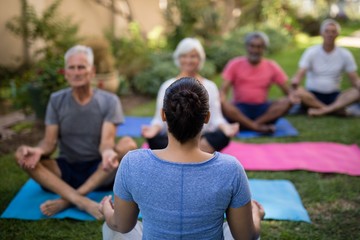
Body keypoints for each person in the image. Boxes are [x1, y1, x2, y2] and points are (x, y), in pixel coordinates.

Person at [100, 77, 265, 239]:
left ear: (163, 115)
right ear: (206, 117)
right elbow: (246, 236)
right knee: (239, 223)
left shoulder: (132, 163)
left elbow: (121, 225)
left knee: (112, 226)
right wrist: (255, 214)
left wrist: (107, 208)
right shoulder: (231, 168)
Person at [14, 45, 137, 219]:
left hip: (100, 170)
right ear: (65, 72)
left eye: (81, 67)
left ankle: (67, 200)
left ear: (92, 71)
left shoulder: (110, 101)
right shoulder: (56, 100)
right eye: (71, 67)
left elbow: (106, 143)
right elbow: (49, 143)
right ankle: (82, 201)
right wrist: (38, 151)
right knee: (22, 155)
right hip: (65, 171)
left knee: (128, 144)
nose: (76, 72)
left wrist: (108, 153)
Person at [141, 38, 239, 153]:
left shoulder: (210, 86)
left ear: (200, 59)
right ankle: (196, 153)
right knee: (154, 139)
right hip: (174, 138)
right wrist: (153, 129)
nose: (188, 60)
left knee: (222, 136)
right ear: (178, 58)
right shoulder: (167, 86)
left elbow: (216, 118)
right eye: (184, 56)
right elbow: (159, 119)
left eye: (193, 56)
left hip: (202, 137)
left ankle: (180, 153)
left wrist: (225, 127)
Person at [220, 31, 296, 133]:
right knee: (222, 103)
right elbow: (223, 91)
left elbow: (288, 92)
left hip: (262, 110)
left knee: (287, 102)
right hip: (239, 109)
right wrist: (222, 101)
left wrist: (293, 97)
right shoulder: (234, 64)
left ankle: (250, 125)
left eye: (259, 47)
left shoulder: (271, 65)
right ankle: (257, 127)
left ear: (264, 49)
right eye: (252, 46)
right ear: (247, 47)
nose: (255, 50)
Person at [291, 19, 360, 116]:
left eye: (333, 31)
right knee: (299, 92)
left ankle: (322, 110)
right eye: (327, 31)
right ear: (321, 33)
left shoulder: (345, 54)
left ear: (338, 34)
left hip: (334, 96)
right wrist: (295, 82)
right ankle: (333, 109)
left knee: (356, 92)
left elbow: (354, 79)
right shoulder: (311, 51)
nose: (330, 34)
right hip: (312, 95)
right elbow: (300, 73)